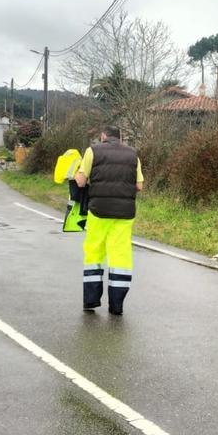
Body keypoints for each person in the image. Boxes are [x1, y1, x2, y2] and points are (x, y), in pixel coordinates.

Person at [74, 125, 143, 315]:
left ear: (103, 136)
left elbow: (80, 181)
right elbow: (139, 185)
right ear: (121, 138)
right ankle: (117, 306)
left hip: (98, 211)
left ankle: (91, 301)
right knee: (120, 256)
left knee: (94, 253)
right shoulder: (133, 154)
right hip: (125, 214)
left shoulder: (92, 151)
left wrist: (77, 174)